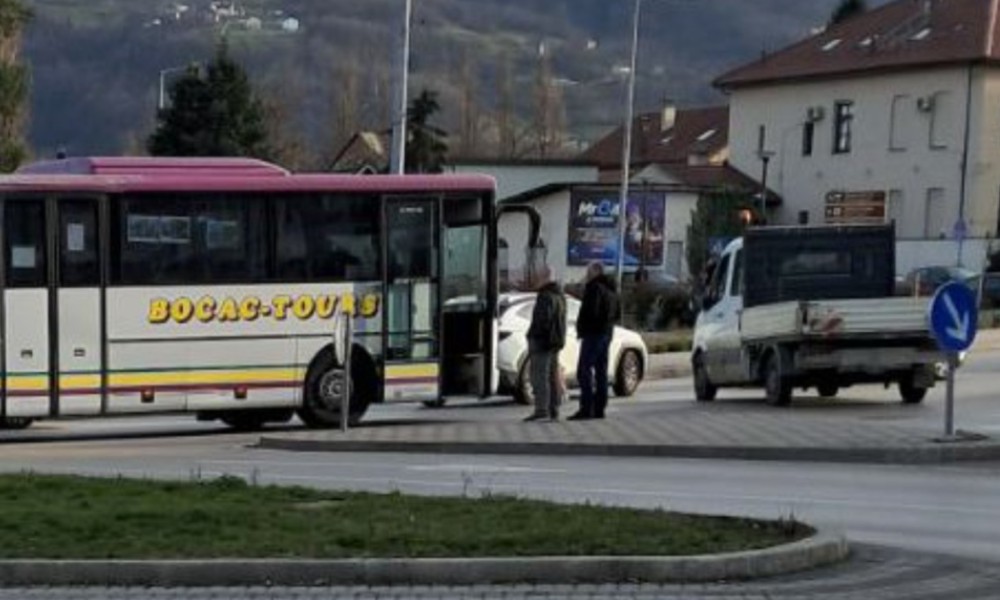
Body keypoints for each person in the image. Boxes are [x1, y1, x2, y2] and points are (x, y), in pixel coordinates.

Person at [570, 262, 620, 420]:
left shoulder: (595, 288)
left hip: (593, 334)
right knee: (601, 371)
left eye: (589, 271)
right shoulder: (612, 290)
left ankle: (586, 407)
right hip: (607, 333)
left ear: (597, 271)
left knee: (584, 370)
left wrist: (583, 328)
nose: (587, 274)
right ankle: (600, 408)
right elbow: (617, 314)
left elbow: (591, 312)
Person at [524, 278, 567, 422]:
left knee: (540, 376)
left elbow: (543, 320)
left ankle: (541, 409)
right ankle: (554, 408)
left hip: (542, 342)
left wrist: (534, 336)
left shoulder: (545, 297)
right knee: (552, 375)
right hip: (555, 341)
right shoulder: (560, 297)